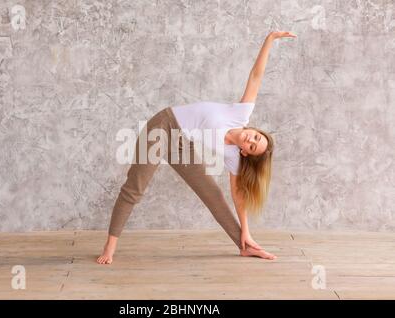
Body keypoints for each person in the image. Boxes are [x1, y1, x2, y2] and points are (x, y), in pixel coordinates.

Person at [97, 31, 297, 264]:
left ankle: (244, 247)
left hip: (182, 144)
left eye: (252, 146)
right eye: (255, 137)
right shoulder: (240, 114)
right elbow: (256, 76)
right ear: (254, 130)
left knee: (213, 194)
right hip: (163, 125)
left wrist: (246, 231)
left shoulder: (234, 156)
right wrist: (270, 40)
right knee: (135, 187)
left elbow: (237, 195)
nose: (250, 140)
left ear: (245, 152)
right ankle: (110, 246)